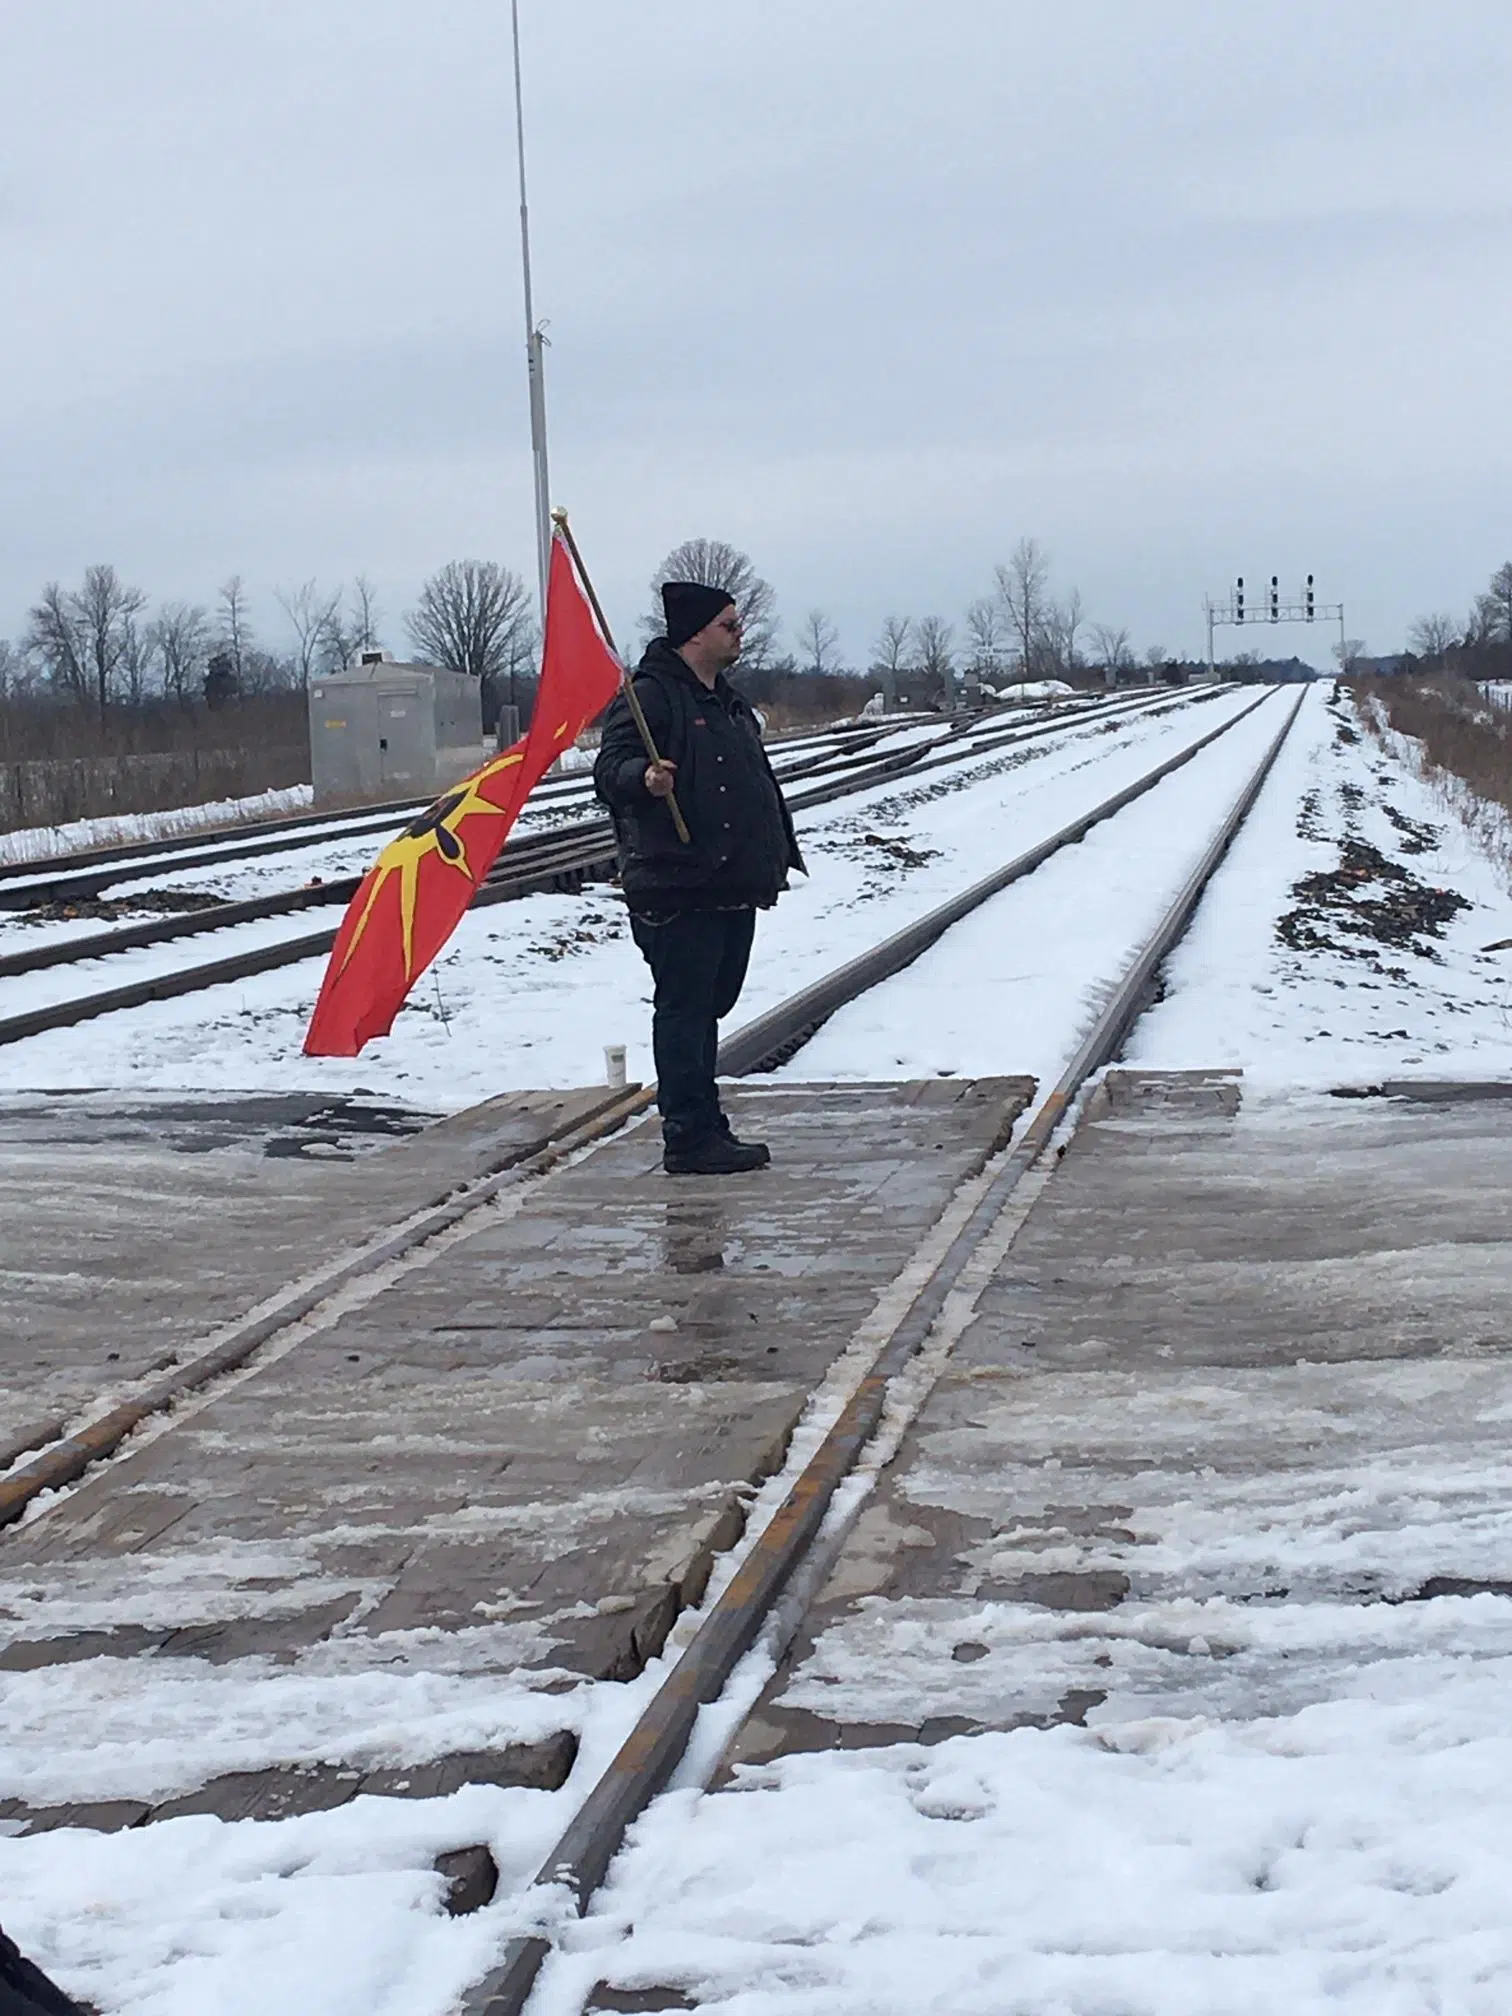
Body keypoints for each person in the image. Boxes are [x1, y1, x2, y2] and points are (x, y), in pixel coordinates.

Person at [595, 581, 805, 1175]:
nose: (740, 635)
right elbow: (609, 769)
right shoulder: (653, 697)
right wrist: (644, 778)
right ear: (695, 633)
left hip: (729, 881)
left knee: (711, 1003)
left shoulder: (726, 700)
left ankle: (705, 1121)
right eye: (729, 626)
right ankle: (687, 1135)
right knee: (685, 1009)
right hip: (678, 883)